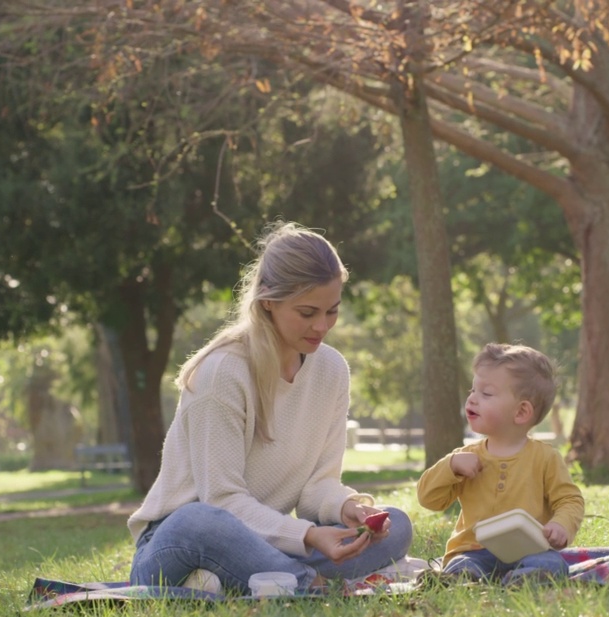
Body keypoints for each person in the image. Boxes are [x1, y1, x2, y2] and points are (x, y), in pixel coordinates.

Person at [128, 222, 412, 594]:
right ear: (268, 302)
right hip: (179, 546)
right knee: (201, 520)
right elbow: (222, 501)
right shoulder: (222, 373)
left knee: (397, 525)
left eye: (332, 311)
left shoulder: (331, 370)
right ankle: (309, 585)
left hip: (266, 543)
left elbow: (317, 487)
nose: (322, 326)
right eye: (307, 312)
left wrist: (345, 509)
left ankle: (252, 580)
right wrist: (308, 535)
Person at [417, 343, 584, 585]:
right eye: (472, 390)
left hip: (530, 549)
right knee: (462, 563)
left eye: (486, 394)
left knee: (552, 563)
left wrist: (561, 525)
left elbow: (570, 500)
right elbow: (428, 499)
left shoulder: (545, 458)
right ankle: (461, 580)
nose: (472, 399)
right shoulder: (464, 458)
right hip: (473, 549)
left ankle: (527, 580)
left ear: (521, 412)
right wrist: (450, 466)